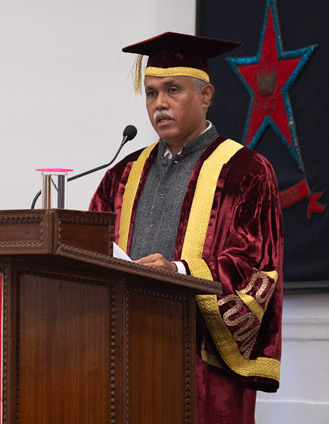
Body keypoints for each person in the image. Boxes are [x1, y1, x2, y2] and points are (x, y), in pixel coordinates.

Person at [90, 32, 283, 424]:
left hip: (202, 361)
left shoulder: (246, 171)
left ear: (206, 95)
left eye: (172, 90)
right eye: (150, 93)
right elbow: (92, 248)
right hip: (126, 353)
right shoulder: (122, 174)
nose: (159, 104)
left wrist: (178, 272)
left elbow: (254, 264)